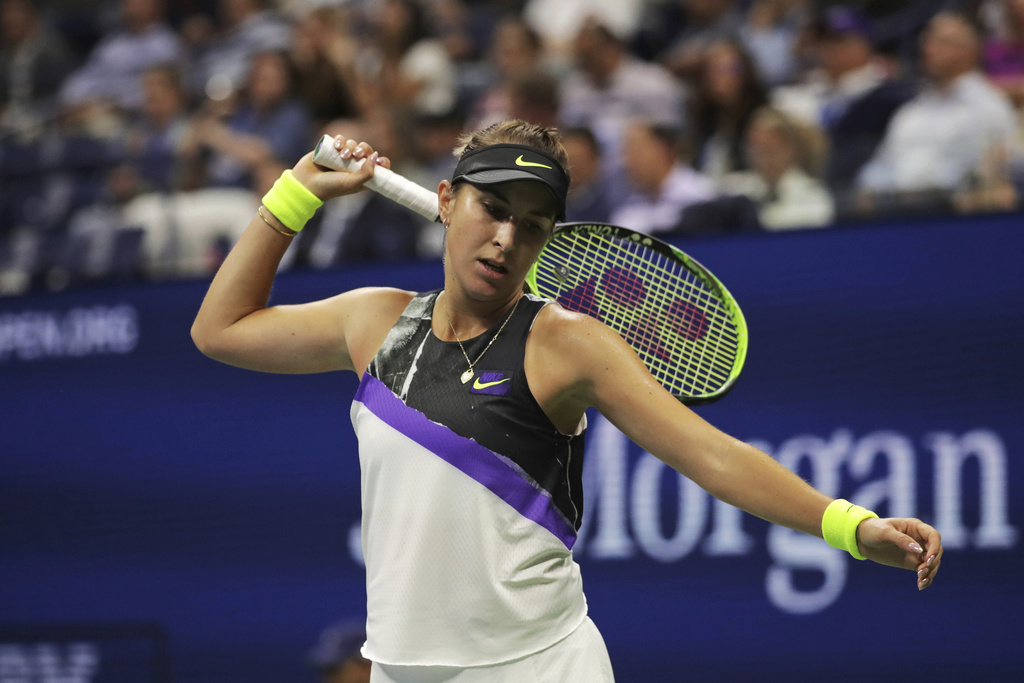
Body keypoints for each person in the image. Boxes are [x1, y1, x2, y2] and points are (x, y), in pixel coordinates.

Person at [191, 119, 943, 681]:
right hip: (400, 669)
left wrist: (854, 526)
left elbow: (713, 455)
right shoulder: (375, 322)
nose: (506, 236)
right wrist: (295, 193)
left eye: (532, 223)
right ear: (447, 201)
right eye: (492, 208)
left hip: (539, 668)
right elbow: (219, 328)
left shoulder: (567, 343)